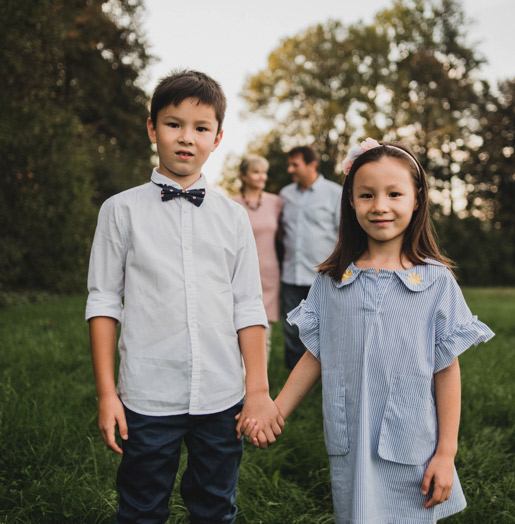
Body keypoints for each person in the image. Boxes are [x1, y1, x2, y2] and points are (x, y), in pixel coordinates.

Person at [85, 69, 283, 524]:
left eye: (201, 128)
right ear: (152, 128)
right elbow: (102, 301)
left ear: (217, 138)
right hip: (147, 395)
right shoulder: (120, 210)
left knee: (215, 507)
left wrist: (257, 389)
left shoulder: (233, 218)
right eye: (173, 124)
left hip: (222, 395)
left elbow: (249, 306)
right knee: (140, 508)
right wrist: (107, 393)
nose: (186, 138)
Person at [272, 139, 494, 522]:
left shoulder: (436, 282)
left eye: (394, 193)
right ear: (351, 201)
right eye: (366, 195)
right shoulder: (331, 281)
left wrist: (446, 453)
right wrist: (275, 411)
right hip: (351, 441)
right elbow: (315, 355)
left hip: (413, 447)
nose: (380, 206)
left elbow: (447, 370)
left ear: (417, 199)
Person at [279, 145, 341, 369]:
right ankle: (293, 375)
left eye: (295, 164)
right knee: (292, 328)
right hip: (291, 273)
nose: (290, 169)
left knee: (327, 328)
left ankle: (327, 373)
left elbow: (343, 234)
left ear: (312, 165)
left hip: (323, 275)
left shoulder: (335, 193)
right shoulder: (285, 195)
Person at [232, 154, 283, 358]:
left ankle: (260, 385)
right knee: (237, 329)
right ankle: (237, 383)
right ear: (243, 176)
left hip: (269, 274)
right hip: (239, 272)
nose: (262, 177)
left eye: (264, 172)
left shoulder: (275, 202)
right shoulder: (232, 204)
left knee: (264, 332)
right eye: (256, 172)